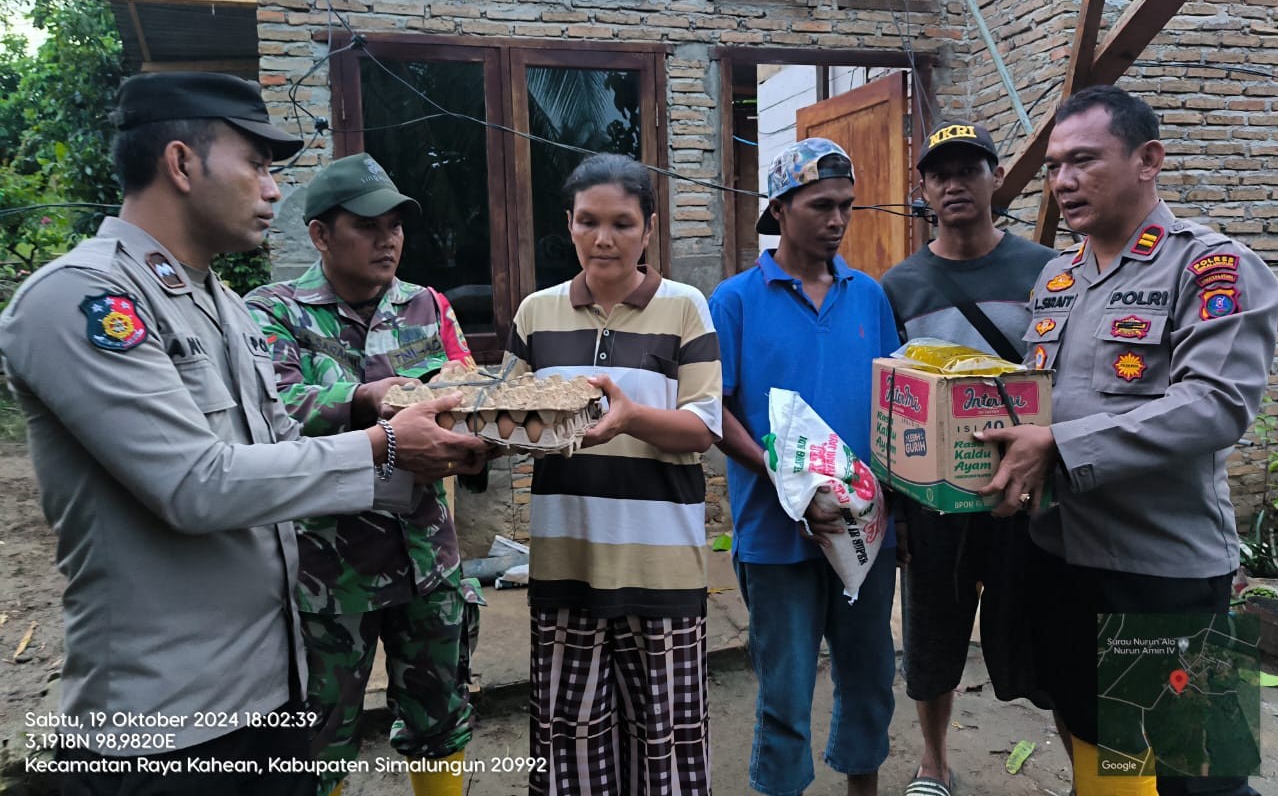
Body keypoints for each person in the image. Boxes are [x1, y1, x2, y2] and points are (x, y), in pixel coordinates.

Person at [0, 73, 488, 796]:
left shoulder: (221, 308)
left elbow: (280, 442)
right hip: (164, 724)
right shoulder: (86, 300)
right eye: (257, 165)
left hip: (268, 687)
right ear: (181, 163)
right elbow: (194, 484)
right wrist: (384, 441)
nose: (272, 189)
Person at [976, 85, 1278, 796]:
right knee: (1103, 748)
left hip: (1159, 574)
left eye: (1084, 160)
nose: (1063, 182)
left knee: (1196, 775)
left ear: (1148, 160)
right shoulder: (1058, 277)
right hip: (1060, 556)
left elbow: (1215, 405)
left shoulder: (1211, 268)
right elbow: (1038, 397)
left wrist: (1060, 445)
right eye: (1054, 166)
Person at [246, 154, 485, 796]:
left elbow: (467, 395)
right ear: (321, 235)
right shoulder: (275, 313)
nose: (389, 239)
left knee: (441, 720)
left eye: (397, 224)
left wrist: (485, 440)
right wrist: (366, 399)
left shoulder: (427, 306)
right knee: (321, 737)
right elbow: (276, 417)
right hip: (329, 572)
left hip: (426, 560)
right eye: (367, 225)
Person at [505, 152, 722, 796]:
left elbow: (705, 428)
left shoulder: (685, 308)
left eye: (623, 223)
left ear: (649, 228)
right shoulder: (535, 314)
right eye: (588, 222)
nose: (604, 239)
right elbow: (508, 418)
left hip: (662, 563)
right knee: (570, 740)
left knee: (666, 744)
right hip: (566, 557)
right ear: (568, 225)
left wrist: (630, 418)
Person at [709, 138, 899, 796]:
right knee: (785, 694)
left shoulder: (867, 296)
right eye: (822, 205)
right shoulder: (735, 300)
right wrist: (779, 472)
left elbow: (893, 401)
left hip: (864, 531)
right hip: (775, 533)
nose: (838, 220)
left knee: (871, 678)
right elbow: (714, 408)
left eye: (847, 206)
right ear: (780, 209)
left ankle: (862, 790)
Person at [880, 122, 1056, 796]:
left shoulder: (1046, 270)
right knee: (931, 636)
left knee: (1039, 631)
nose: (954, 183)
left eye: (969, 169)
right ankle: (934, 760)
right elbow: (893, 407)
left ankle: (1083, 761)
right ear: (922, 189)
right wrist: (895, 509)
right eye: (940, 173)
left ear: (995, 179)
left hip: (1026, 489)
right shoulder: (899, 286)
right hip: (935, 500)